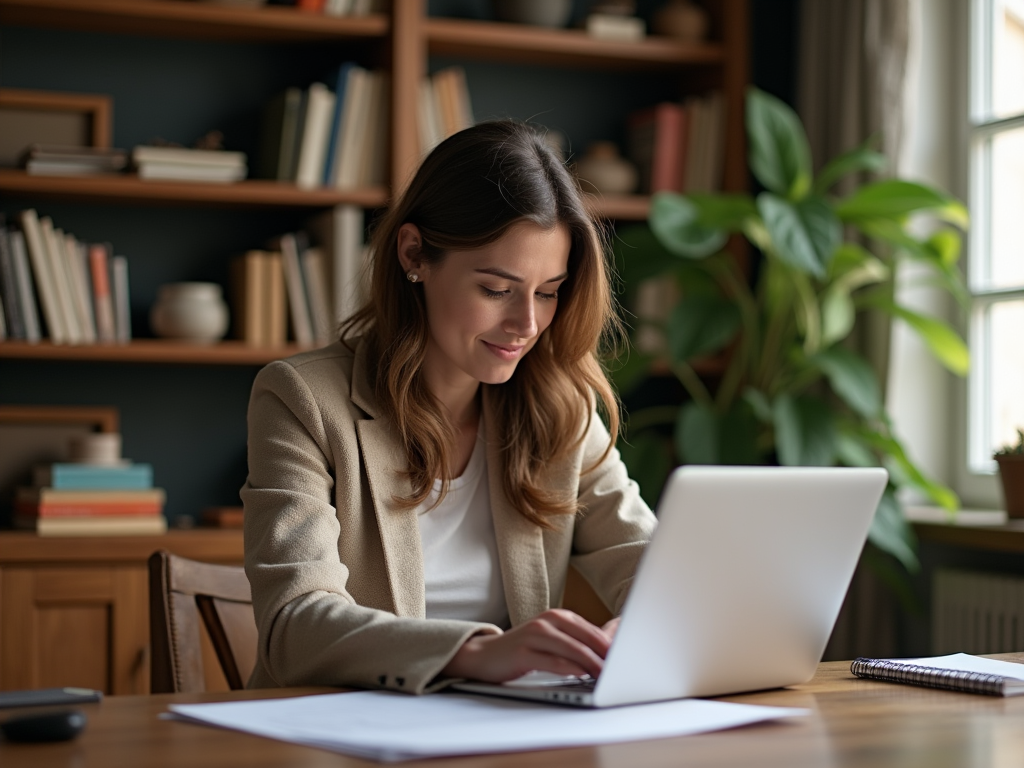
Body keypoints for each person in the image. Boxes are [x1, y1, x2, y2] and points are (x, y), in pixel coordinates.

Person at [241, 120, 656, 694]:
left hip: (500, 735)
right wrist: (476, 652)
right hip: (336, 735)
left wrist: (649, 623)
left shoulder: (560, 408)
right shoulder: (302, 400)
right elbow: (293, 625)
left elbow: (644, 558)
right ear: (415, 253)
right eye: (496, 289)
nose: (527, 325)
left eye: (548, 291)